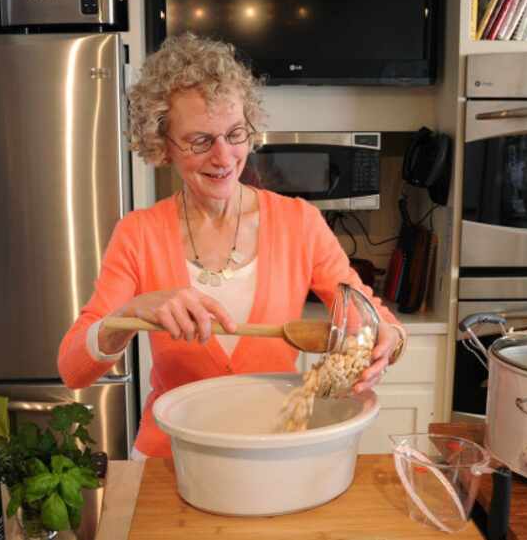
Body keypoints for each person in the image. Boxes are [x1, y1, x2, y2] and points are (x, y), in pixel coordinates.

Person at [58, 33, 408, 459]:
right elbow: (73, 369)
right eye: (200, 140)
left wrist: (388, 338)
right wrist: (127, 314)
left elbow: (368, 313)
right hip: (169, 461)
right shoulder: (138, 234)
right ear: (163, 143)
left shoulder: (299, 223)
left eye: (235, 133)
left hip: (270, 453)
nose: (224, 157)